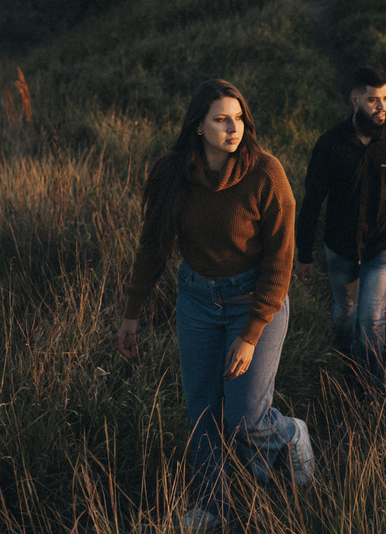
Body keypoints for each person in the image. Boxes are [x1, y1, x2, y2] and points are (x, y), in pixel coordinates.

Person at [118, 79, 314, 533]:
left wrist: (250, 334)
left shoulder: (266, 174)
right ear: (198, 127)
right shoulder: (172, 174)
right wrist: (132, 313)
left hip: (255, 300)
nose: (233, 128)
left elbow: (281, 260)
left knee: (243, 417)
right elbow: (152, 247)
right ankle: (214, 507)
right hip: (197, 300)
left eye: (238, 118)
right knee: (201, 410)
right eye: (221, 119)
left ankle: (290, 434)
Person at [295, 66, 386, 384]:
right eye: (373, 100)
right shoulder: (330, 144)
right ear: (355, 100)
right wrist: (304, 253)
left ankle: (367, 383)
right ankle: (345, 357)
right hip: (340, 246)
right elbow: (312, 200)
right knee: (344, 312)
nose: (382, 107)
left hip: (382, 244)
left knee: (371, 318)